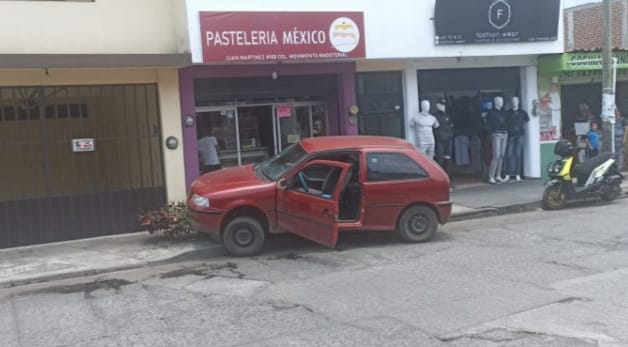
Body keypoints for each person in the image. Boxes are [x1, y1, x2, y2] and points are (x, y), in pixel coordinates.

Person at [614, 106, 627, 171]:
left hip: (620, 138)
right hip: (613, 140)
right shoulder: (612, 120)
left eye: (616, 111)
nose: (615, 113)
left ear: (619, 113)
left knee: (619, 153)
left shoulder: (622, 120)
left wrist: (624, 139)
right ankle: (615, 166)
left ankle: (620, 167)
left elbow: (626, 130)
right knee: (615, 153)